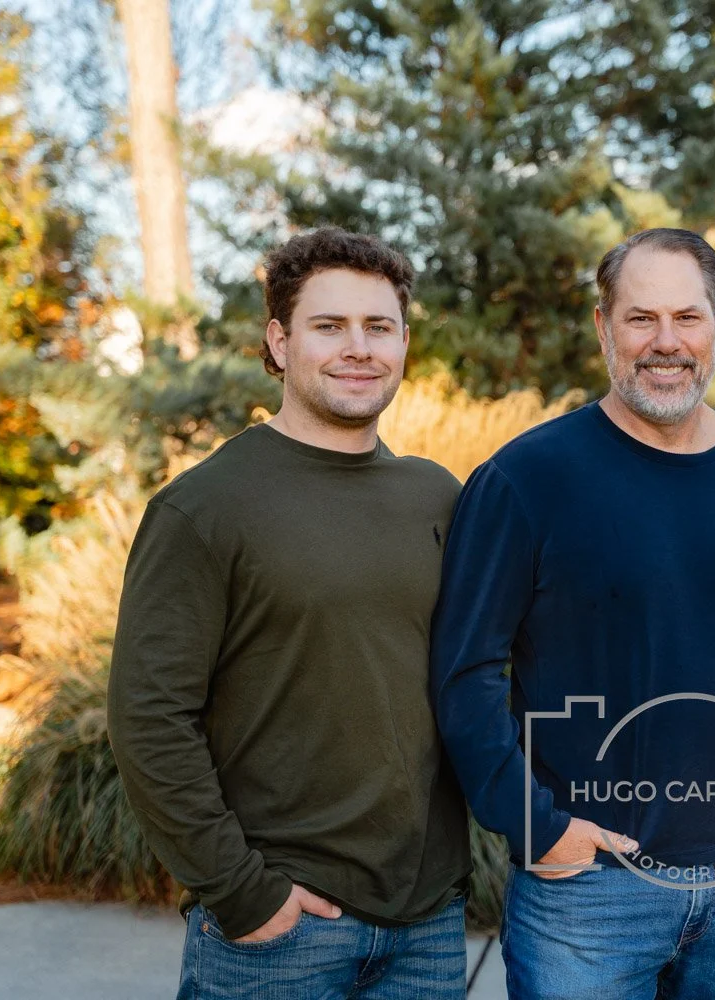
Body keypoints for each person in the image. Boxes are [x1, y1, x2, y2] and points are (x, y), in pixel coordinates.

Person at [430, 228, 715, 1000]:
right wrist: (536, 826)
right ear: (604, 328)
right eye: (640, 319)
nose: (666, 343)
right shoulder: (524, 481)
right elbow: (464, 672)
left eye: (687, 318)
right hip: (586, 887)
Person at [108, 227, 471, 1000]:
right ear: (279, 342)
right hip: (281, 933)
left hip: (428, 925)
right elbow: (149, 718)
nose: (358, 348)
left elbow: (486, 670)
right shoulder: (204, 507)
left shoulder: (437, 495)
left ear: (405, 342)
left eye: (378, 327)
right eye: (328, 326)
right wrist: (244, 896)